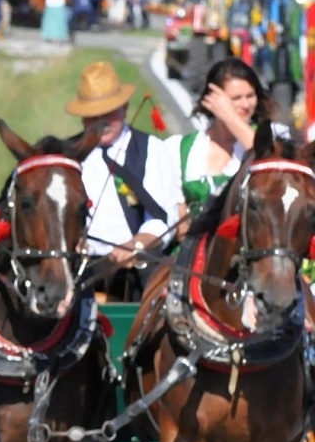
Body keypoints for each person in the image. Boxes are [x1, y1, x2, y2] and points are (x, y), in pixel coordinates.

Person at [66, 61, 182, 300]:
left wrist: (135, 245)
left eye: (108, 113)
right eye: (92, 117)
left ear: (124, 107)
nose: (100, 122)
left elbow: (163, 217)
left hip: (138, 263)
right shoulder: (67, 154)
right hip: (82, 266)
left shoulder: (151, 150)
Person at [168, 57, 285, 227]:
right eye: (236, 98)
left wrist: (230, 117)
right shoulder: (182, 148)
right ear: (212, 99)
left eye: (250, 96)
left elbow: (269, 159)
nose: (246, 104)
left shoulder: (275, 135)